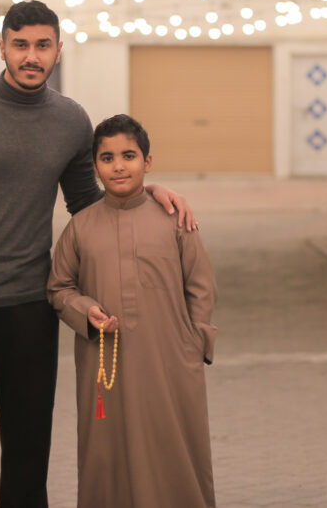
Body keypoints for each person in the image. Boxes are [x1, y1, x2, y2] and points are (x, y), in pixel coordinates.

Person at [0, 0, 196, 508]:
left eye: (42, 45)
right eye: (20, 45)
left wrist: (145, 192)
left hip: (30, 305)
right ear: (2, 48)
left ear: (58, 51)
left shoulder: (70, 120)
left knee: (28, 449)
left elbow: (89, 203)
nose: (31, 56)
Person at [47, 114, 217, 508]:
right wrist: (86, 311)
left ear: (147, 162)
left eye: (129, 155)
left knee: (175, 447)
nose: (119, 166)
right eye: (107, 158)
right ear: (95, 168)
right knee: (108, 454)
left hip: (171, 361)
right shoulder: (80, 227)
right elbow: (59, 288)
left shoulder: (176, 219)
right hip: (105, 362)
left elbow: (201, 285)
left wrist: (195, 344)